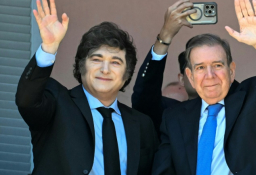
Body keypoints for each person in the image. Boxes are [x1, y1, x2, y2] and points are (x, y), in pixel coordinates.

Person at [152, 0, 256, 174]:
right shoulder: (174, 118)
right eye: (200, 67)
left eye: (217, 65)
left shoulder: (253, 99)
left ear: (231, 71)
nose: (210, 75)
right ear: (190, 77)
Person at [15, 0, 158, 174]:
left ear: (126, 75)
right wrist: (49, 48)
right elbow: (26, 100)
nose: (105, 70)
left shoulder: (142, 125)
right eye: (96, 59)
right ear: (81, 66)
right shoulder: (56, 103)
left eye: (115, 62)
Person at [131, 0, 198, 134]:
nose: (208, 73)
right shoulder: (168, 114)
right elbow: (145, 96)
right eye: (197, 68)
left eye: (216, 65)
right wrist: (165, 35)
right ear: (182, 78)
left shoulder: (235, 108)